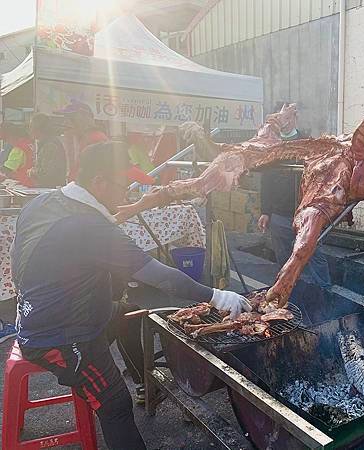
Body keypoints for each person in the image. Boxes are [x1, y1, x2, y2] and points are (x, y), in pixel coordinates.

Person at [11, 141, 251, 450]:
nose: (128, 194)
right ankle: (115, 391)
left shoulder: (43, 202)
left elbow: (19, 267)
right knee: (115, 406)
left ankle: (144, 383)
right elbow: (161, 276)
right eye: (124, 185)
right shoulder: (90, 227)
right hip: (60, 338)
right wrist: (218, 296)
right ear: (99, 182)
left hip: (38, 315)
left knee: (127, 313)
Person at [257, 103, 331, 289]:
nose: (285, 121)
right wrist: (265, 211)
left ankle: (324, 290)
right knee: (283, 257)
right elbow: (265, 180)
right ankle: (292, 291)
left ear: (295, 116)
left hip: (305, 213)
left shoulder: (307, 142)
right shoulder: (271, 144)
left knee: (314, 254)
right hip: (279, 214)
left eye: (288, 117)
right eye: (281, 117)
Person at [56, 99, 108, 181]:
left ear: (82, 119)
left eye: (70, 118)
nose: (65, 123)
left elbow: (93, 175)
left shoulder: (95, 139)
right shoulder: (83, 138)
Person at [28, 113, 67, 188]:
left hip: (51, 189)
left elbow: (47, 173)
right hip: (47, 188)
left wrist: (31, 172)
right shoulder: (45, 143)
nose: (30, 130)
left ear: (38, 129)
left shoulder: (50, 145)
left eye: (31, 127)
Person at [0, 122, 34, 186]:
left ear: (11, 136)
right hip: (31, 182)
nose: (7, 142)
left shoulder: (18, 149)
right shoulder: (29, 144)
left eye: (5, 139)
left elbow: (7, 169)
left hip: (23, 184)